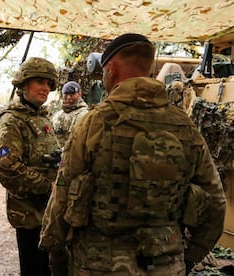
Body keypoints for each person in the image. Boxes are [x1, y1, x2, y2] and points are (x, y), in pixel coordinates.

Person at [39, 33, 226, 275]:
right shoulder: (185, 126)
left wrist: (56, 257)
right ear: (148, 69)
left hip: (98, 266)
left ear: (111, 68)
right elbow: (216, 203)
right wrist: (186, 257)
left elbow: (61, 197)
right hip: (166, 264)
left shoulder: (93, 123)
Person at [0, 57, 60, 276]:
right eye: (40, 81)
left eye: (49, 84)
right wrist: (46, 186)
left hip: (49, 211)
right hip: (29, 214)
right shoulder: (12, 121)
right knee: (34, 270)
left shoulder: (43, 118)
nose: (46, 88)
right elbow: (6, 167)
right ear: (23, 84)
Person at [52, 81, 88, 148]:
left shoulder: (85, 114)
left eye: (72, 95)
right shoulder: (57, 115)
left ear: (79, 94)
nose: (68, 98)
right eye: (66, 95)